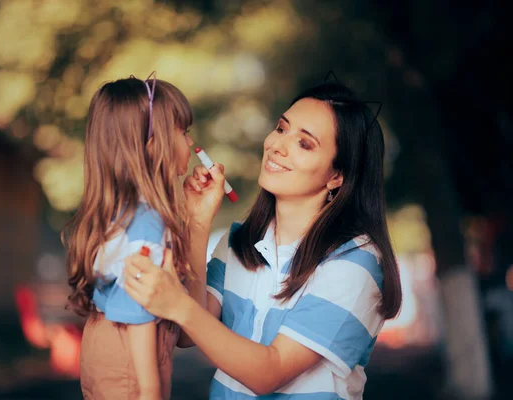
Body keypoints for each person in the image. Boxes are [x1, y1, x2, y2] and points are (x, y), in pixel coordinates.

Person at [123, 81, 404, 399]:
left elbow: (269, 373)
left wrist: (178, 304)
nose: (277, 146)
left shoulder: (355, 262)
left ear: (336, 176)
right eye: (281, 129)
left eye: (304, 144)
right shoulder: (239, 241)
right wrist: (199, 222)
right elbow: (189, 334)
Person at [62, 72, 197, 400]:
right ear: (154, 146)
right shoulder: (147, 222)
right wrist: (149, 386)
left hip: (105, 346)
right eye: (184, 132)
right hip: (133, 359)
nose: (191, 144)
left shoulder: (122, 211)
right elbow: (137, 306)